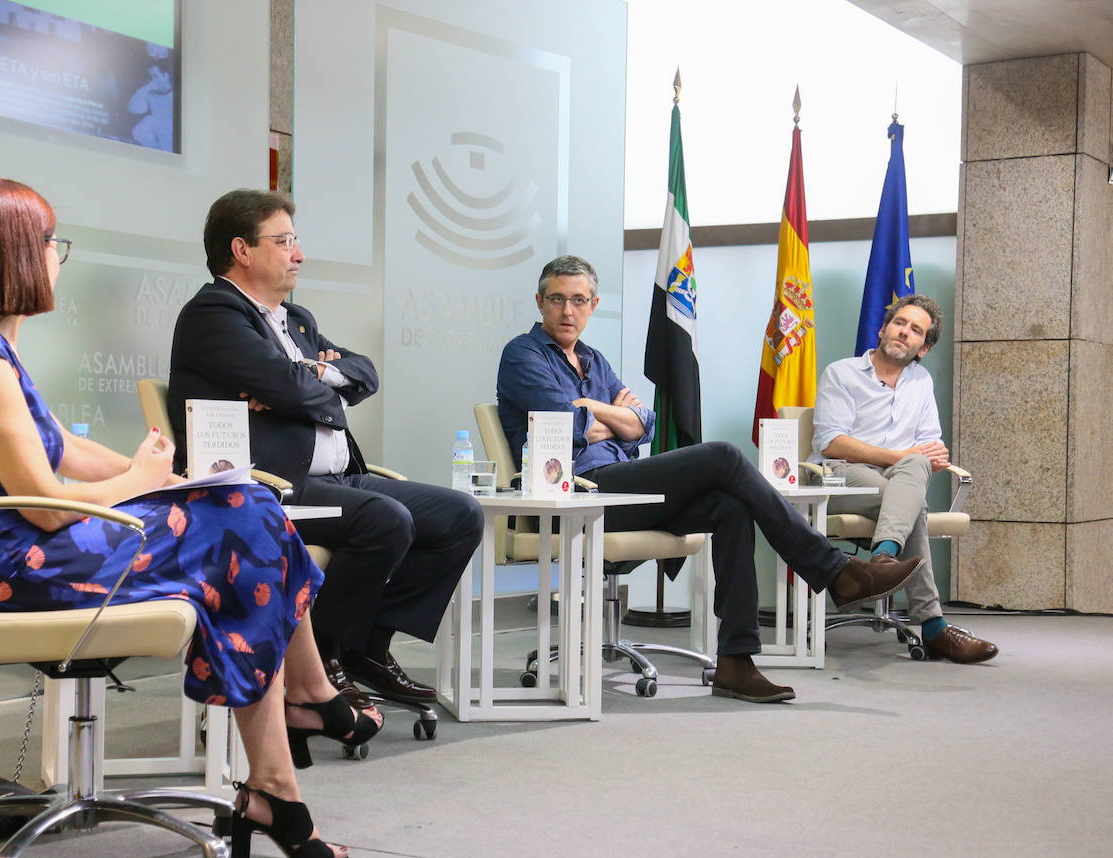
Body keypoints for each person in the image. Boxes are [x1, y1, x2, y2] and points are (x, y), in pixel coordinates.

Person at [0, 177, 378, 858]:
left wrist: (169, 479)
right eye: (49, 243)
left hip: (21, 547)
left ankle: (288, 752)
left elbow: (63, 450)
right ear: (10, 254)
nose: (57, 256)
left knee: (246, 509)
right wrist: (144, 481)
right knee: (249, 517)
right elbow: (39, 500)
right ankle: (296, 731)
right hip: (14, 561)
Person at [496, 255, 923, 703]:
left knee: (730, 506)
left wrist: (597, 409)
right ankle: (837, 571)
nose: (568, 311)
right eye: (558, 299)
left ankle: (737, 662)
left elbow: (646, 424)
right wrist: (610, 417)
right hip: (577, 493)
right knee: (722, 456)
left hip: (616, 484)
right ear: (540, 302)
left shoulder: (592, 360)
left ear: (593, 304)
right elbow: (566, 426)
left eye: (579, 300)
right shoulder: (523, 354)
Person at [168, 188, 484, 710]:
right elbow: (294, 389)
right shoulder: (214, 313)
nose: (299, 253)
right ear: (242, 250)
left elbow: (362, 375)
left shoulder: (295, 320)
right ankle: (326, 661)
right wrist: (308, 386)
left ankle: (367, 647)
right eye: (284, 241)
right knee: (385, 519)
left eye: (296, 241)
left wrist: (315, 374)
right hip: (267, 485)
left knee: (459, 515)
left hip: (337, 477)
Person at [814, 295, 998, 663]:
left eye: (916, 330)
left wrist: (926, 456)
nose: (905, 332)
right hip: (842, 477)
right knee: (909, 490)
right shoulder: (842, 372)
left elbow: (930, 447)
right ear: (883, 329)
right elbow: (832, 442)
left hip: (899, 480)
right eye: (900, 323)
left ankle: (882, 560)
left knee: (910, 476)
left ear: (924, 347)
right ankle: (933, 627)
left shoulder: (921, 381)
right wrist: (905, 456)